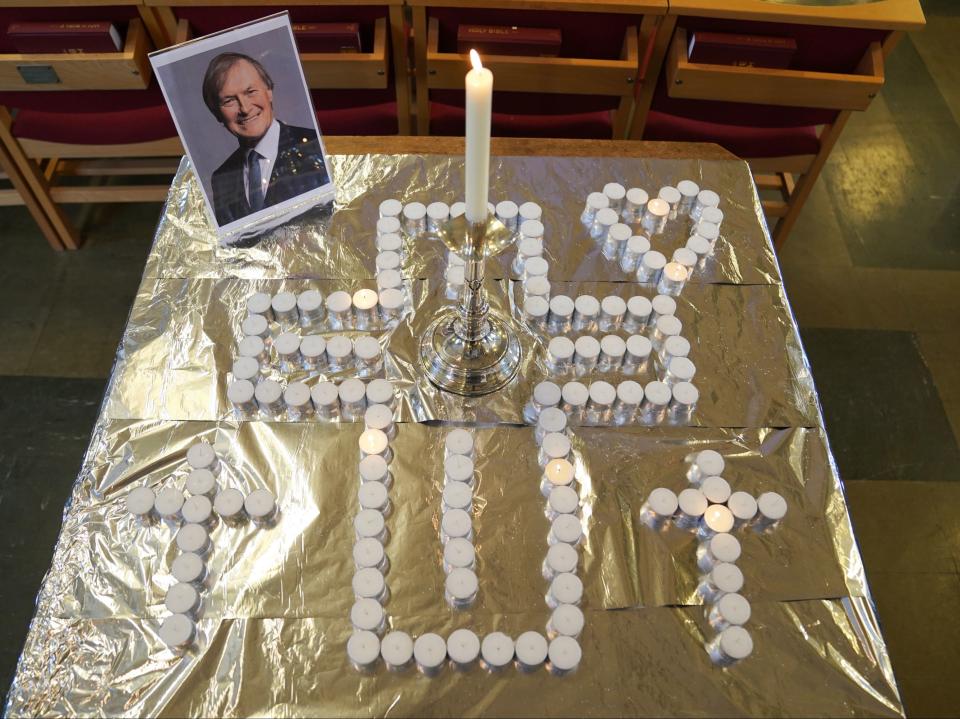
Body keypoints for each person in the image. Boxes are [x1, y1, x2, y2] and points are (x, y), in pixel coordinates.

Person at [201, 52, 329, 226]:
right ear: (216, 113)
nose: (245, 109)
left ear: (269, 92)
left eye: (251, 92)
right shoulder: (221, 178)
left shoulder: (316, 145)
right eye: (229, 101)